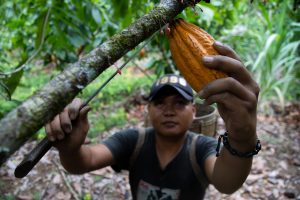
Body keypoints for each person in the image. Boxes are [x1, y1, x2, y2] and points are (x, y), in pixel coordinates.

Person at [45, 41, 260, 199]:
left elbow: (227, 181)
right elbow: (86, 161)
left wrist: (242, 138)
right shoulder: (133, 141)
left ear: (193, 110)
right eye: (160, 103)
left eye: (179, 103)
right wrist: (70, 150)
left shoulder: (202, 147)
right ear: (148, 109)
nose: (169, 110)